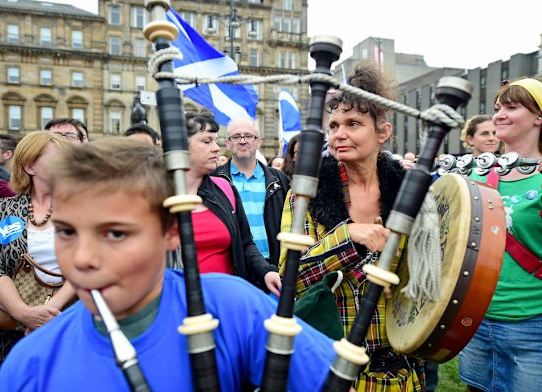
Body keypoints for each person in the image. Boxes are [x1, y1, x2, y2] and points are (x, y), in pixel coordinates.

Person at [0, 137, 336, 391]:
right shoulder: (30, 364)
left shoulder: (232, 309)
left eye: (115, 233)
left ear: (172, 231)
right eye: (67, 231)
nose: (82, 259)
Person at [279, 61, 423, 390]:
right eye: (334, 125)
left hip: (396, 375)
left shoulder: (411, 197)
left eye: (353, 123)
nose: (339, 134)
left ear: (383, 132)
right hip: (326, 370)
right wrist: (348, 237)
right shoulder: (305, 195)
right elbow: (293, 279)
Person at [459, 77, 542, 392]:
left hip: (541, 323)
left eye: (511, 107)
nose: (499, 115)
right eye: (497, 108)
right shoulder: (475, 172)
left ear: (540, 116)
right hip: (476, 318)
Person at [0, 131, 76, 384]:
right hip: (6, 338)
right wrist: (23, 313)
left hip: (65, 327)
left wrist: (47, 314)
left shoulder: (84, 209)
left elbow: (92, 264)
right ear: (29, 166)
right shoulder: (0, 209)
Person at [167, 113, 281, 294]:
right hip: (178, 301)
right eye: (206, 141)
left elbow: (245, 243)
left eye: (215, 141)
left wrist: (266, 271)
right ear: (181, 146)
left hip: (226, 301)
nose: (216, 148)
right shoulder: (156, 195)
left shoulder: (224, 189)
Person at [213, 118, 290, 267]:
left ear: (258, 141)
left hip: (273, 265)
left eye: (248, 136)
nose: (242, 141)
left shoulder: (280, 181)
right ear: (228, 143)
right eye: (236, 137)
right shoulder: (214, 181)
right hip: (232, 266)